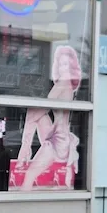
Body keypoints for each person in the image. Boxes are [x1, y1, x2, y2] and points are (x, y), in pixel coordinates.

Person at [16, 44, 81, 189]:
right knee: (34, 113)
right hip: (57, 136)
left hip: (58, 142)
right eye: (61, 64)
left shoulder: (63, 85)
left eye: (66, 65)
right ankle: (25, 149)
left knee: (29, 175)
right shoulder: (65, 85)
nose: (63, 68)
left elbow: (43, 107)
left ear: (72, 67)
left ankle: (24, 150)